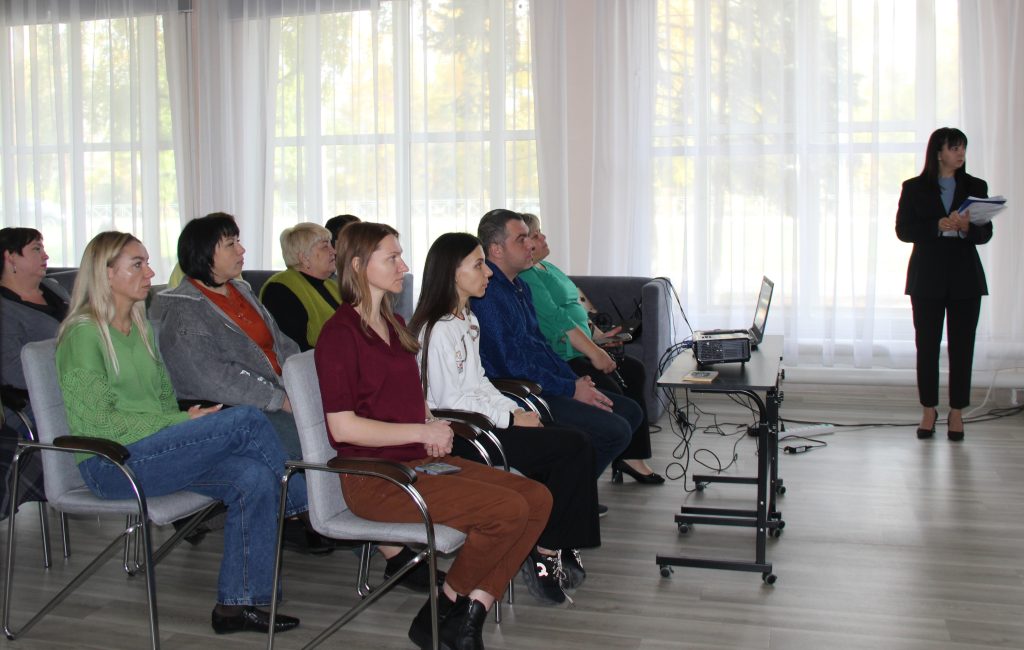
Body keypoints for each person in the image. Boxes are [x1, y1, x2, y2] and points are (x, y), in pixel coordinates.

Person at [315, 222, 552, 650]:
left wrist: (430, 422)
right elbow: (342, 427)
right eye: (392, 258)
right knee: (507, 510)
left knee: (537, 498)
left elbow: (412, 396)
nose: (404, 266)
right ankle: (447, 611)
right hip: (377, 479)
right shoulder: (339, 334)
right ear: (358, 266)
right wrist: (421, 429)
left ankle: (465, 612)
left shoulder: (393, 322)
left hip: (418, 463)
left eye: (401, 256)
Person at [55, 231, 305, 635]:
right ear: (106, 273)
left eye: (147, 262)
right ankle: (306, 501)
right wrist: (181, 422)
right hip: (111, 464)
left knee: (254, 476)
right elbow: (100, 425)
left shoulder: (141, 327)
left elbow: (162, 401)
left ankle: (235, 606)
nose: (150, 273)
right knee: (245, 419)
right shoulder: (84, 334)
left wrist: (186, 417)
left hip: (155, 451)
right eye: (138, 264)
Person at [409, 232, 600, 600]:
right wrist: (510, 420)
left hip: (484, 423)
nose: (488, 273)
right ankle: (547, 550)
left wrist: (515, 410)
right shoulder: (438, 329)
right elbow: (451, 401)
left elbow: (480, 382)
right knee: (572, 447)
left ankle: (552, 539)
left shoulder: (466, 318)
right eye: (479, 265)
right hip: (462, 435)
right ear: (453, 273)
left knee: (568, 440)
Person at [155, 213, 333, 555]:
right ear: (205, 253)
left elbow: (281, 344)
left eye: (238, 241)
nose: (242, 249)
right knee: (310, 445)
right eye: (231, 244)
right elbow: (214, 378)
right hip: (229, 410)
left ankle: (315, 515)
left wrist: (305, 384)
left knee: (333, 426)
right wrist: (280, 399)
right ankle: (313, 517)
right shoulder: (185, 310)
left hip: (273, 395)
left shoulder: (241, 290)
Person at [470, 209, 637, 485]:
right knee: (615, 430)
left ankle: (567, 493)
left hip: (546, 384)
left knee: (629, 412)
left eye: (530, 237)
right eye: (521, 239)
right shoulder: (488, 296)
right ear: (496, 250)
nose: (530, 245)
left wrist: (574, 381)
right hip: (522, 394)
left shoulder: (519, 287)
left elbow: (540, 346)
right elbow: (511, 365)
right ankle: (563, 495)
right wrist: (570, 388)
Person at [518, 213, 663, 484]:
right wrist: (594, 352)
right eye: (536, 235)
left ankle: (631, 457)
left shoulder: (548, 268)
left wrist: (599, 336)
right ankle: (580, 475)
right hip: (566, 353)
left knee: (633, 370)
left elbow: (577, 304)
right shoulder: (527, 276)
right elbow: (558, 320)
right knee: (613, 389)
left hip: (583, 344)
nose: (543, 237)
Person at [896, 127, 993, 442]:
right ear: (938, 153)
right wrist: (936, 225)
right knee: (926, 346)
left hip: (966, 278)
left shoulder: (976, 186)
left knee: (962, 347)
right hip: (927, 277)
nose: (961, 153)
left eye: (963, 147)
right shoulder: (914, 187)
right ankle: (928, 409)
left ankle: (957, 412)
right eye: (954, 148)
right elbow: (903, 230)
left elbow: (985, 233)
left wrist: (966, 228)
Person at [1, 227, 68, 514]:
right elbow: (13, 372)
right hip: (32, 403)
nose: (46, 256)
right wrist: (72, 371)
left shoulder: (53, 289)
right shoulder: (5, 309)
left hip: (77, 387)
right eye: (36, 249)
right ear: (10, 258)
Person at [260, 223, 340, 351]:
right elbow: (292, 346)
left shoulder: (331, 285)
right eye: (325, 246)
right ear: (304, 257)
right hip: (313, 361)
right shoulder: (279, 289)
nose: (334, 251)